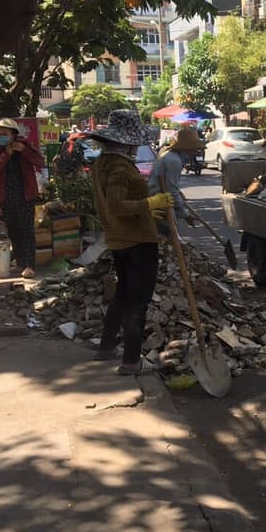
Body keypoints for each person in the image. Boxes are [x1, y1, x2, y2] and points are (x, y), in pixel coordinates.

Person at [84, 110, 174, 375]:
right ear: (126, 141)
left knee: (123, 294)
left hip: (121, 238)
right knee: (138, 300)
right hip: (136, 241)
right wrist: (150, 203)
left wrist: (147, 211)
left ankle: (107, 346)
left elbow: (119, 205)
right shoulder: (120, 166)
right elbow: (117, 205)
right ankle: (132, 360)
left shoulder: (103, 162)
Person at [0, 118, 46, 279]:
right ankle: (19, 263)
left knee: (26, 231)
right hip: (6, 197)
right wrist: (6, 154)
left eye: (4, 133)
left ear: (13, 134)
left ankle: (29, 265)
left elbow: (39, 161)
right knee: (13, 230)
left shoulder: (25, 146)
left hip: (25, 196)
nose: (0, 136)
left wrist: (22, 150)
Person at [148, 127, 205, 229]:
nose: (197, 151)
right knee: (169, 237)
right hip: (160, 203)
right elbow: (172, 191)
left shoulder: (170, 156)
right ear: (188, 148)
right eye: (195, 148)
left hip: (159, 199)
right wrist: (185, 214)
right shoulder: (174, 161)